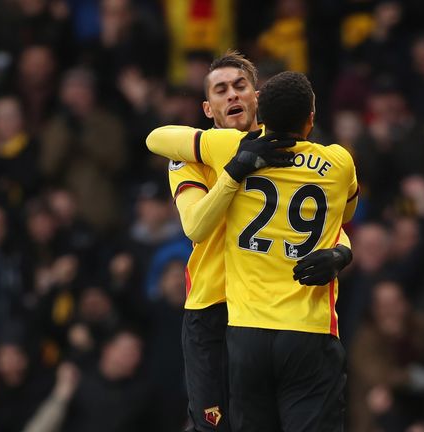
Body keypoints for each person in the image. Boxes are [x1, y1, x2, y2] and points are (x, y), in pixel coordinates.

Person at [148, 52, 353, 432]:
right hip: (213, 307)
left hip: (264, 315)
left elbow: (326, 222)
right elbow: (196, 225)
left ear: (258, 97)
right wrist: (235, 169)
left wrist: (342, 252)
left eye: (240, 86)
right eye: (221, 90)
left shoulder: (289, 152)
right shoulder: (193, 158)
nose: (232, 96)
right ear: (208, 108)